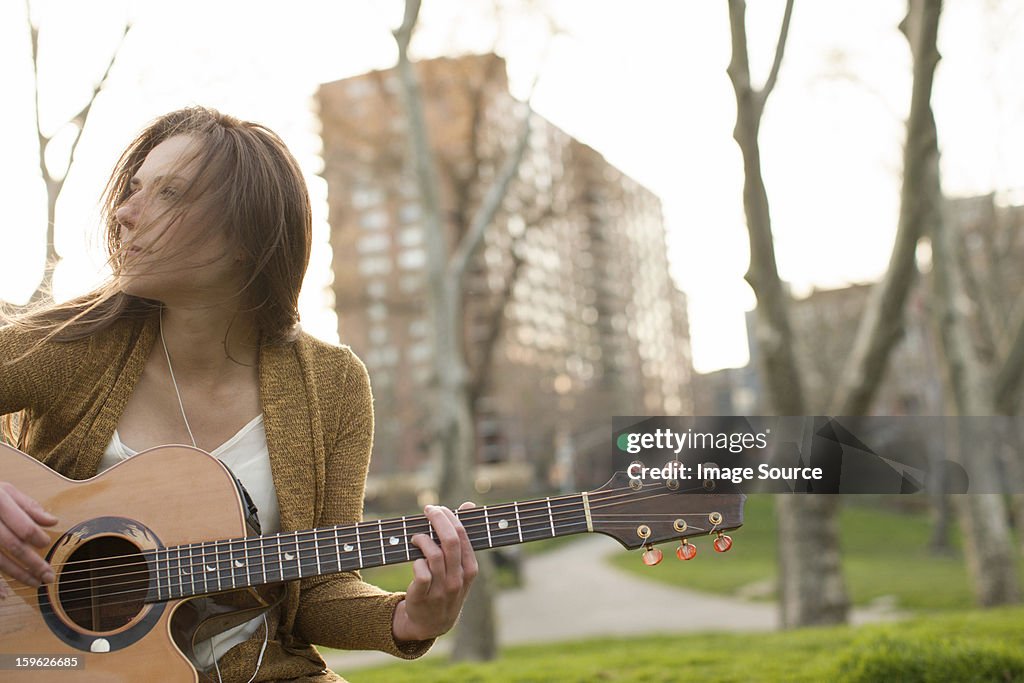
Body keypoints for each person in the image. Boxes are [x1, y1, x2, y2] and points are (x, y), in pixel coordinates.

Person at [0, 106, 478, 682]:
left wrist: (408, 618)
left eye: (169, 192)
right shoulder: (72, 345)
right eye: (133, 190)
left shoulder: (333, 385)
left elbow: (318, 587)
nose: (125, 214)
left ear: (247, 236)